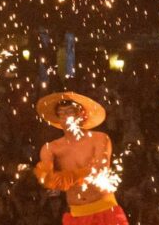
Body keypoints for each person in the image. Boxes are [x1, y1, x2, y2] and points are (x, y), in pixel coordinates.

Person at [34, 91, 125, 225]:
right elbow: (47, 178)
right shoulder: (51, 148)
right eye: (61, 113)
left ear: (82, 114)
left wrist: (69, 177)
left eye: (70, 112)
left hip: (105, 210)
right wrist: (46, 177)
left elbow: (100, 171)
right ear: (58, 118)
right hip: (76, 214)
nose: (66, 117)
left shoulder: (99, 138)